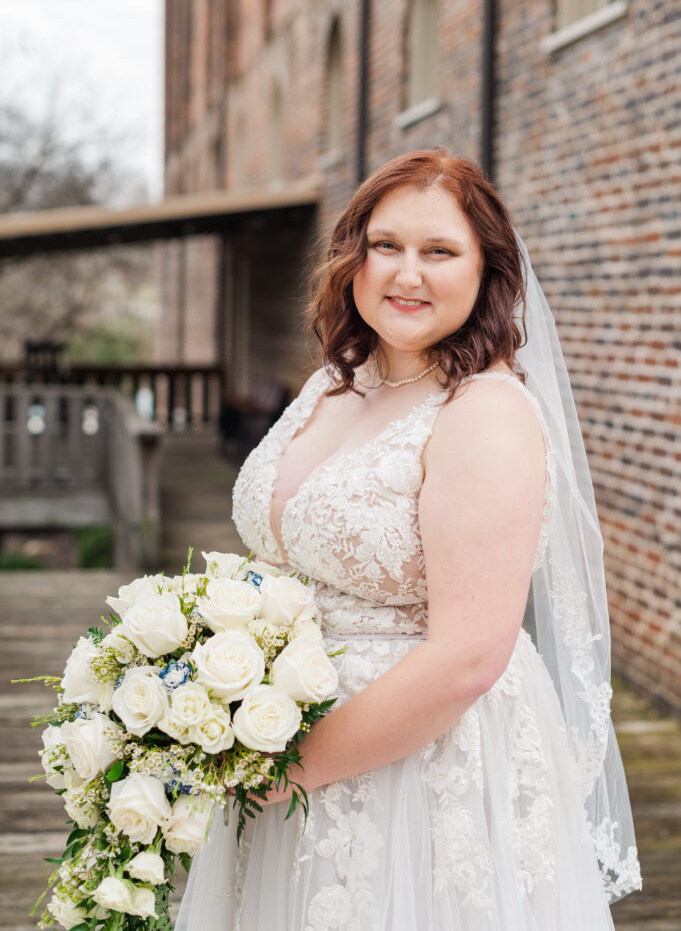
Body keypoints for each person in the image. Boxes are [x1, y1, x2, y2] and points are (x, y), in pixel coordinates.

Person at [176, 149, 642, 930]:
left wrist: (282, 773)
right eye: (385, 245)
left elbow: (467, 658)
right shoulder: (331, 383)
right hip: (276, 739)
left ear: (486, 272)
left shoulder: (483, 412)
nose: (405, 274)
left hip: (417, 773)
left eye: (439, 252)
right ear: (351, 255)